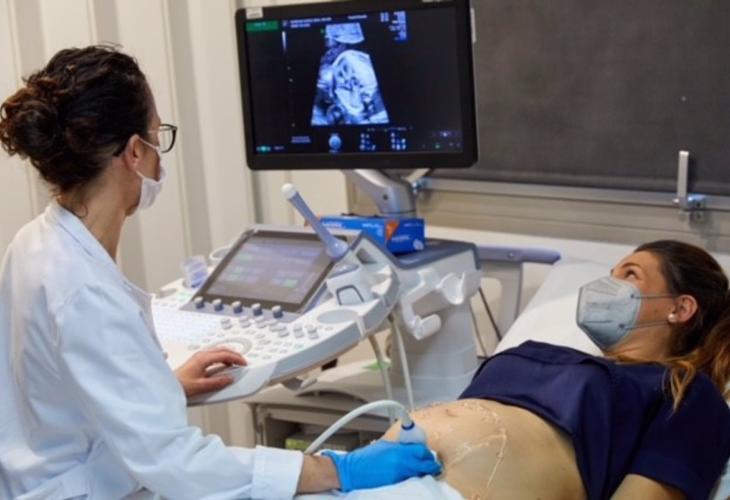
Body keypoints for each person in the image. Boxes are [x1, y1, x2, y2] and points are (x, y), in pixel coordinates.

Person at [0, 45, 441, 499]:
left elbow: (58, 394)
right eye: (157, 135)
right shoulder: (84, 289)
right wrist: (337, 469)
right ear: (134, 151)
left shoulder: (35, 244)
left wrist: (161, 390)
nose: (159, 154)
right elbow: (179, 465)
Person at [380, 240, 730, 500]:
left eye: (630, 274)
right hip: (379, 480)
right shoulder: (550, 354)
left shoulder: (687, 392)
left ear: (680, 308)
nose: (606, 286)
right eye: (611, 274)